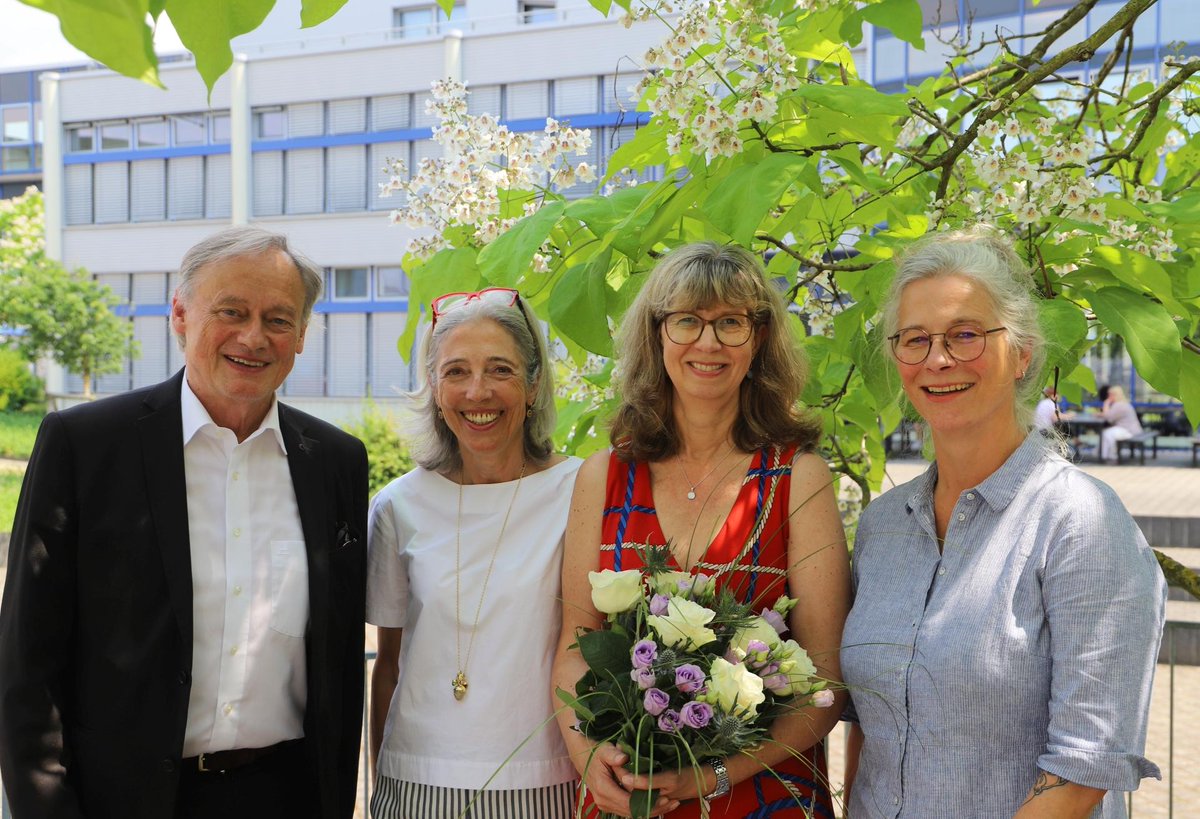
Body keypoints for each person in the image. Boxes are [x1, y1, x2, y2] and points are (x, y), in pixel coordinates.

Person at [0, 226, 369, 819]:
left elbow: (342, 661)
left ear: (302, 335)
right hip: (122, 800)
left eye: (278, 319)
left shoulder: (336, 461)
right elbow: (27, 661)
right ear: (180, 314)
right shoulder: (85, 445)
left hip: (283, 795)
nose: (253, 337)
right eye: (231, 311)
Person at [841, 226, 1166, 818]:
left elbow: (1084, 768)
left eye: (965, 335)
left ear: (1021, 354)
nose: (938, 359)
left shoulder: (1081, 523)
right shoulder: (883, 525)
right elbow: (871, 724)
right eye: (915, 339)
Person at [553, 242, 851, 818]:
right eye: (687, 320)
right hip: (629, 794)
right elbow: (574, 644)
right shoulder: (603, 476)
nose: (708, 342)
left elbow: (826, 680)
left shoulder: (799, 478)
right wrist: (590, 758)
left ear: (759, 338)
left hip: (763, 794)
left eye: (731, 323)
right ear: (657, 334)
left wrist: (709, 775)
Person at [367, 287, 582, 818]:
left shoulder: (581, 491)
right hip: (415, 782)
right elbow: (387, 664)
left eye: (500, 370)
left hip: (546, 778)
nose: (477, 392)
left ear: (533, 386)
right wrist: (377, 794)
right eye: (456, 371)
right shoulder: (398, 505)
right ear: (435, 389)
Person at [1099, 385, 1143, 463]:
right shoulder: (1122, 403)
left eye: (1110, 394)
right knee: (1107, 432)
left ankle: (1109, 455)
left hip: (1130, 431)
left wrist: (1106, 403)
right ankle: (1104, 454)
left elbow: (1108, 418)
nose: (1108, 397)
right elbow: (1109, 415)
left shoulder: (1119, 405)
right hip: (1129, 429)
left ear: (1115, 395)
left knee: (1107, 433)